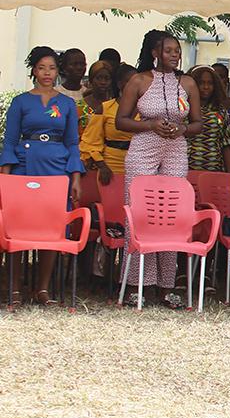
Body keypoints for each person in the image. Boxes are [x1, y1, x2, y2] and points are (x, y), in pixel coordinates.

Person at [114, 30, 202, 309]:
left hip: (175, 149)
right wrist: (150, 125)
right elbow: (121, 121)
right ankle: (135, 285)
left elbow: (199, 124)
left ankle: (166, 287)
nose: (175, 54)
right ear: (155, 53)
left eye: (177, 50)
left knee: (171, 215)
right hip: (143, 147)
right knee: (140, 214)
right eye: (168, 50)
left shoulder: (187, 83)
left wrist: (183, 128)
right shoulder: (139, 81)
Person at [0, 46, 85, 306]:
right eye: (41, 68)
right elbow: (10, 141)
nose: (46, 73)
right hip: (24, 165)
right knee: (19, 225)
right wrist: (5, 178)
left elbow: (73, 142)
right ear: (33, 71)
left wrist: (76, 178)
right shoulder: (21, 101)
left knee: (53, 227)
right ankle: (14, 287)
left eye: (51, 68)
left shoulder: (67, 103)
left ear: (58, 70)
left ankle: (43, 290)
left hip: (57, 168)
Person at [81, 64, 137, 185]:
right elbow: (91, 141)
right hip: (111, 167)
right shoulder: (106, 108)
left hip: (139, 167)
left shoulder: (146, 110)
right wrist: (102, 166)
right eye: (129, 81)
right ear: (119, 84)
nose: (133, 85)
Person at [186, 66, 230, 173]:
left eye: (210, 83)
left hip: (214, 167)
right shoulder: (184, 109)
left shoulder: (220, 111)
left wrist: (229, 174)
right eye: (201, 83)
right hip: (187, 167)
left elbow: (226, 144)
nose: (206, 87)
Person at [76, 61, 114, 137]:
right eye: (98, 78)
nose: (103, 82)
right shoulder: (78, 106)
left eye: (107, 78)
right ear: (91, 80)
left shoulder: (114, 106)